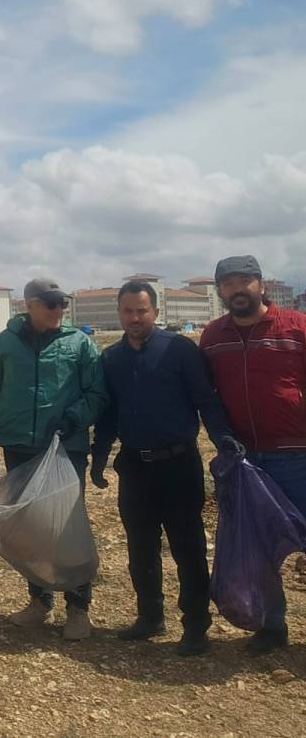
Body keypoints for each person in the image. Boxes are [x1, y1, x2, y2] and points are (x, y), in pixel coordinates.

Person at [95, 280, 239, 656]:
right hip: (135, 468)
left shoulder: (180, 350)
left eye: (141, 310)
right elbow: (108, 416)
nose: (135, 318)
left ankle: (195, 626)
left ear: (155, 312)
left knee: (188, 549)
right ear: (120, 313)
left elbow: (206, 401)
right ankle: (149, 617)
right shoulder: (111, 359)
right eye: (127, 311)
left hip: (178, 466)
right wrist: (98, 457)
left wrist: (223, 438)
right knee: (140, 549)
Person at [0, 276, 108, 640]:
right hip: (19, 445)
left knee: (67, 526)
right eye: (51, 303)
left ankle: (79, 607)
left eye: (62, 303)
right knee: (30, 528)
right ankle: (40, 600)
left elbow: (97, 392)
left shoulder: (79, 343)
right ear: (29, 304)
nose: (58, 310)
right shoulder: (5, 343)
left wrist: (74, 418)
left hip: (65, 447)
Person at [200, 255, 306, 654]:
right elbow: (207, 396)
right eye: (228, 283)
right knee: (257, 547)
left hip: (298, 455)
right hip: (246, 461)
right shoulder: (213, 336)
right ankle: (272, 626)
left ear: (261, 285)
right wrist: (222, 437)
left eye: (245, 280)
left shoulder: (297, 327)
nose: (236, 289)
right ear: (219, 291)